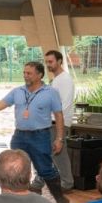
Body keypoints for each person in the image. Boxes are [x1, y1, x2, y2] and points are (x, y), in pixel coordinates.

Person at [0, 62, 70, 203]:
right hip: (19, 136)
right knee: (14, 169)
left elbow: (59, 116)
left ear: (39, 75)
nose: (25, 76)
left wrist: (59, 139)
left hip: (41, 136)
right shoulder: (17, 91)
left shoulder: (51, 92)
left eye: (29, 73)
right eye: (24, 73)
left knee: (45, 170)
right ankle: (17, 202)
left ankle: (61, 200)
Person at [31, 49, 76, 192]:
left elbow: (65, 104)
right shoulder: (56, 80)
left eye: (51, 62)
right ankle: (67, 183)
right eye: (46, 62)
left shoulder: (65, 80)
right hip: (49, 122)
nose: (48, 65)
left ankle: (40, 183)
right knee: (57, 155)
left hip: (57, 123)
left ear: (59, 61)